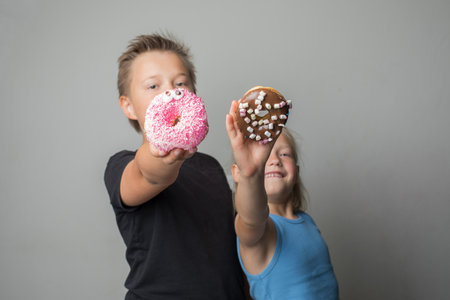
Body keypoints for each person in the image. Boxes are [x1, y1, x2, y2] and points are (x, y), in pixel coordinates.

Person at [104, 33, 247, 300]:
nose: (171, 92)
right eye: (153, 86)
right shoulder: (122, 166)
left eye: (180, 83)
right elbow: (152, 175)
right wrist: (160, 151)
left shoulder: (211, 168)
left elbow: (236, 246)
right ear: (129, 106)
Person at [226, 100, 339, 300]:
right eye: (263, 156)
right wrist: (251, 173)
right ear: (238, 174)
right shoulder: (260, 230)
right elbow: (252, 217)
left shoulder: (306, 221)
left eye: (284, 154)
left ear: (296, 172)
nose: (274, 160)